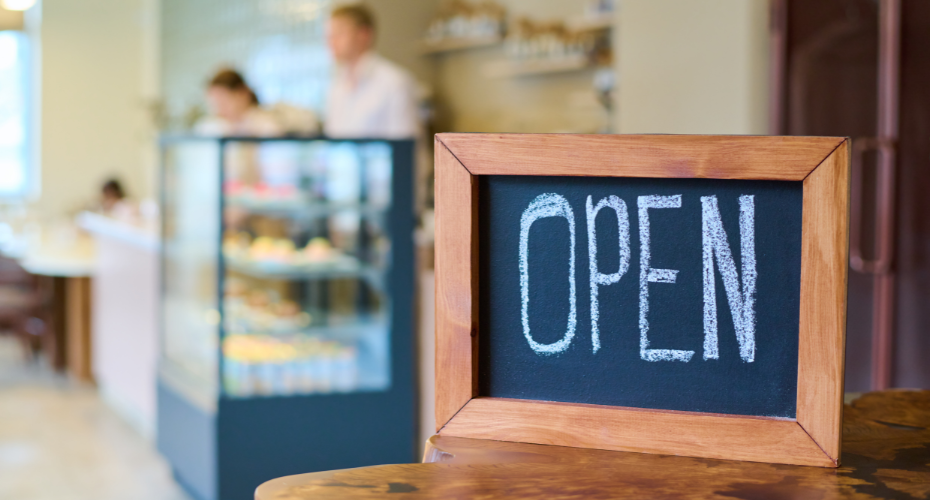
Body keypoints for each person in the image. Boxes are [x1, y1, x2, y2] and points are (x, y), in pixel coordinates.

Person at [325, 4, 420, 139]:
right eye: (330, 35)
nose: (331, 41)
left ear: (363, 35)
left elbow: (404, 148)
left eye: (339, 33)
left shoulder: (394, 82)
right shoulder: (337, 85)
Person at [196, 69, 282, 137]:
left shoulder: (268, 125)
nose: (219, 111)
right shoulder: (218, 126)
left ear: (243, 94)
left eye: (223, 102)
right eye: (215, 104)